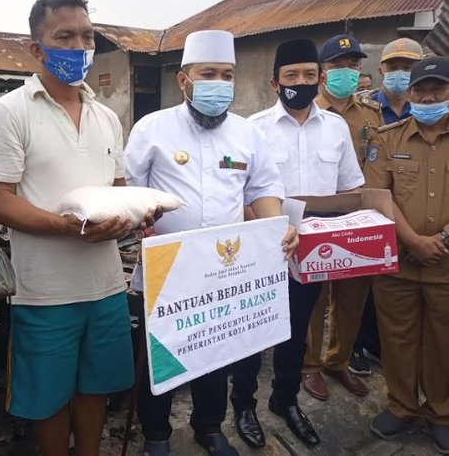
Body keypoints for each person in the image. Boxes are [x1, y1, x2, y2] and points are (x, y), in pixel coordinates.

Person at [0, 0, 140, 456]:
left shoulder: (107, 116)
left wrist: (132, 214)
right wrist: (64, 226)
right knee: (48, 397)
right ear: (36, 48)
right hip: (44, 293)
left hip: (107, 285)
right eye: (64, 36)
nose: (78, 46)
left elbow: (116, 190)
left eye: (86, 36)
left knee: (95, 387)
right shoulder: (10, 111)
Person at [125, 29, 298, 456]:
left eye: (227, 74)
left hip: (224, 270)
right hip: (167, 270)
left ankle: (209, 426)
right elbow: (131, 191)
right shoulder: (152, 128)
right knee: (159, 357)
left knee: (216, 353)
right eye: (208, 73)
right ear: (184, 80)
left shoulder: (246, 134)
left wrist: (278, 228)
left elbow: (263, 189)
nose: (219, 83)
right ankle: (156, 434)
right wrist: (141, 222)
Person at [229, 39, 364, 449]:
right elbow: (239, 193)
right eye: (291, 76)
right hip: (263, 251)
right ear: (275, 82)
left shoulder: (337, 128)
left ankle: (285, 401)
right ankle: (244, 405)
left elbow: (351, 190)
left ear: (320, 78)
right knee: (253, 333)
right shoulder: (252, 129)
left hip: (313, 252)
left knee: (295, 332)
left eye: (309, 75)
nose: (300, 83)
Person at [364, 56, 449, 455]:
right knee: (396, 338)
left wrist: (441, 239)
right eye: (421, 89)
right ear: (410, 92)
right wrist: (413, 240)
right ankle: (402, 406)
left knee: (442, 341)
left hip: (446, 265)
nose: (428, 96)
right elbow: (378, 196)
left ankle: (441, 412)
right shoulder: (388, 137)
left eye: (438, 89)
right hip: (397, 259)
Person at [302, 34, 383, 402]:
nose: (346, 73)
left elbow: (376, 167)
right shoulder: (308, 110)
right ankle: (311, 365)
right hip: (318, 217)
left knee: (352, 298)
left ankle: (339, 360)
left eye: (352, 66)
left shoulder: (371, 114)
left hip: (359, 219)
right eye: (338, 66)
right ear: (322, 73)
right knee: (314, 298)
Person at [349, 37, 424, 377]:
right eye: (394, 67)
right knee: (365, 284)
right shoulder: (366, 109)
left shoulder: (428, 109)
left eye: (408, 67)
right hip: (369, 205)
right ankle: (359, 344)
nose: (401, 74)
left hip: (416, 207)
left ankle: (389, 346)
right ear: (381, 70)